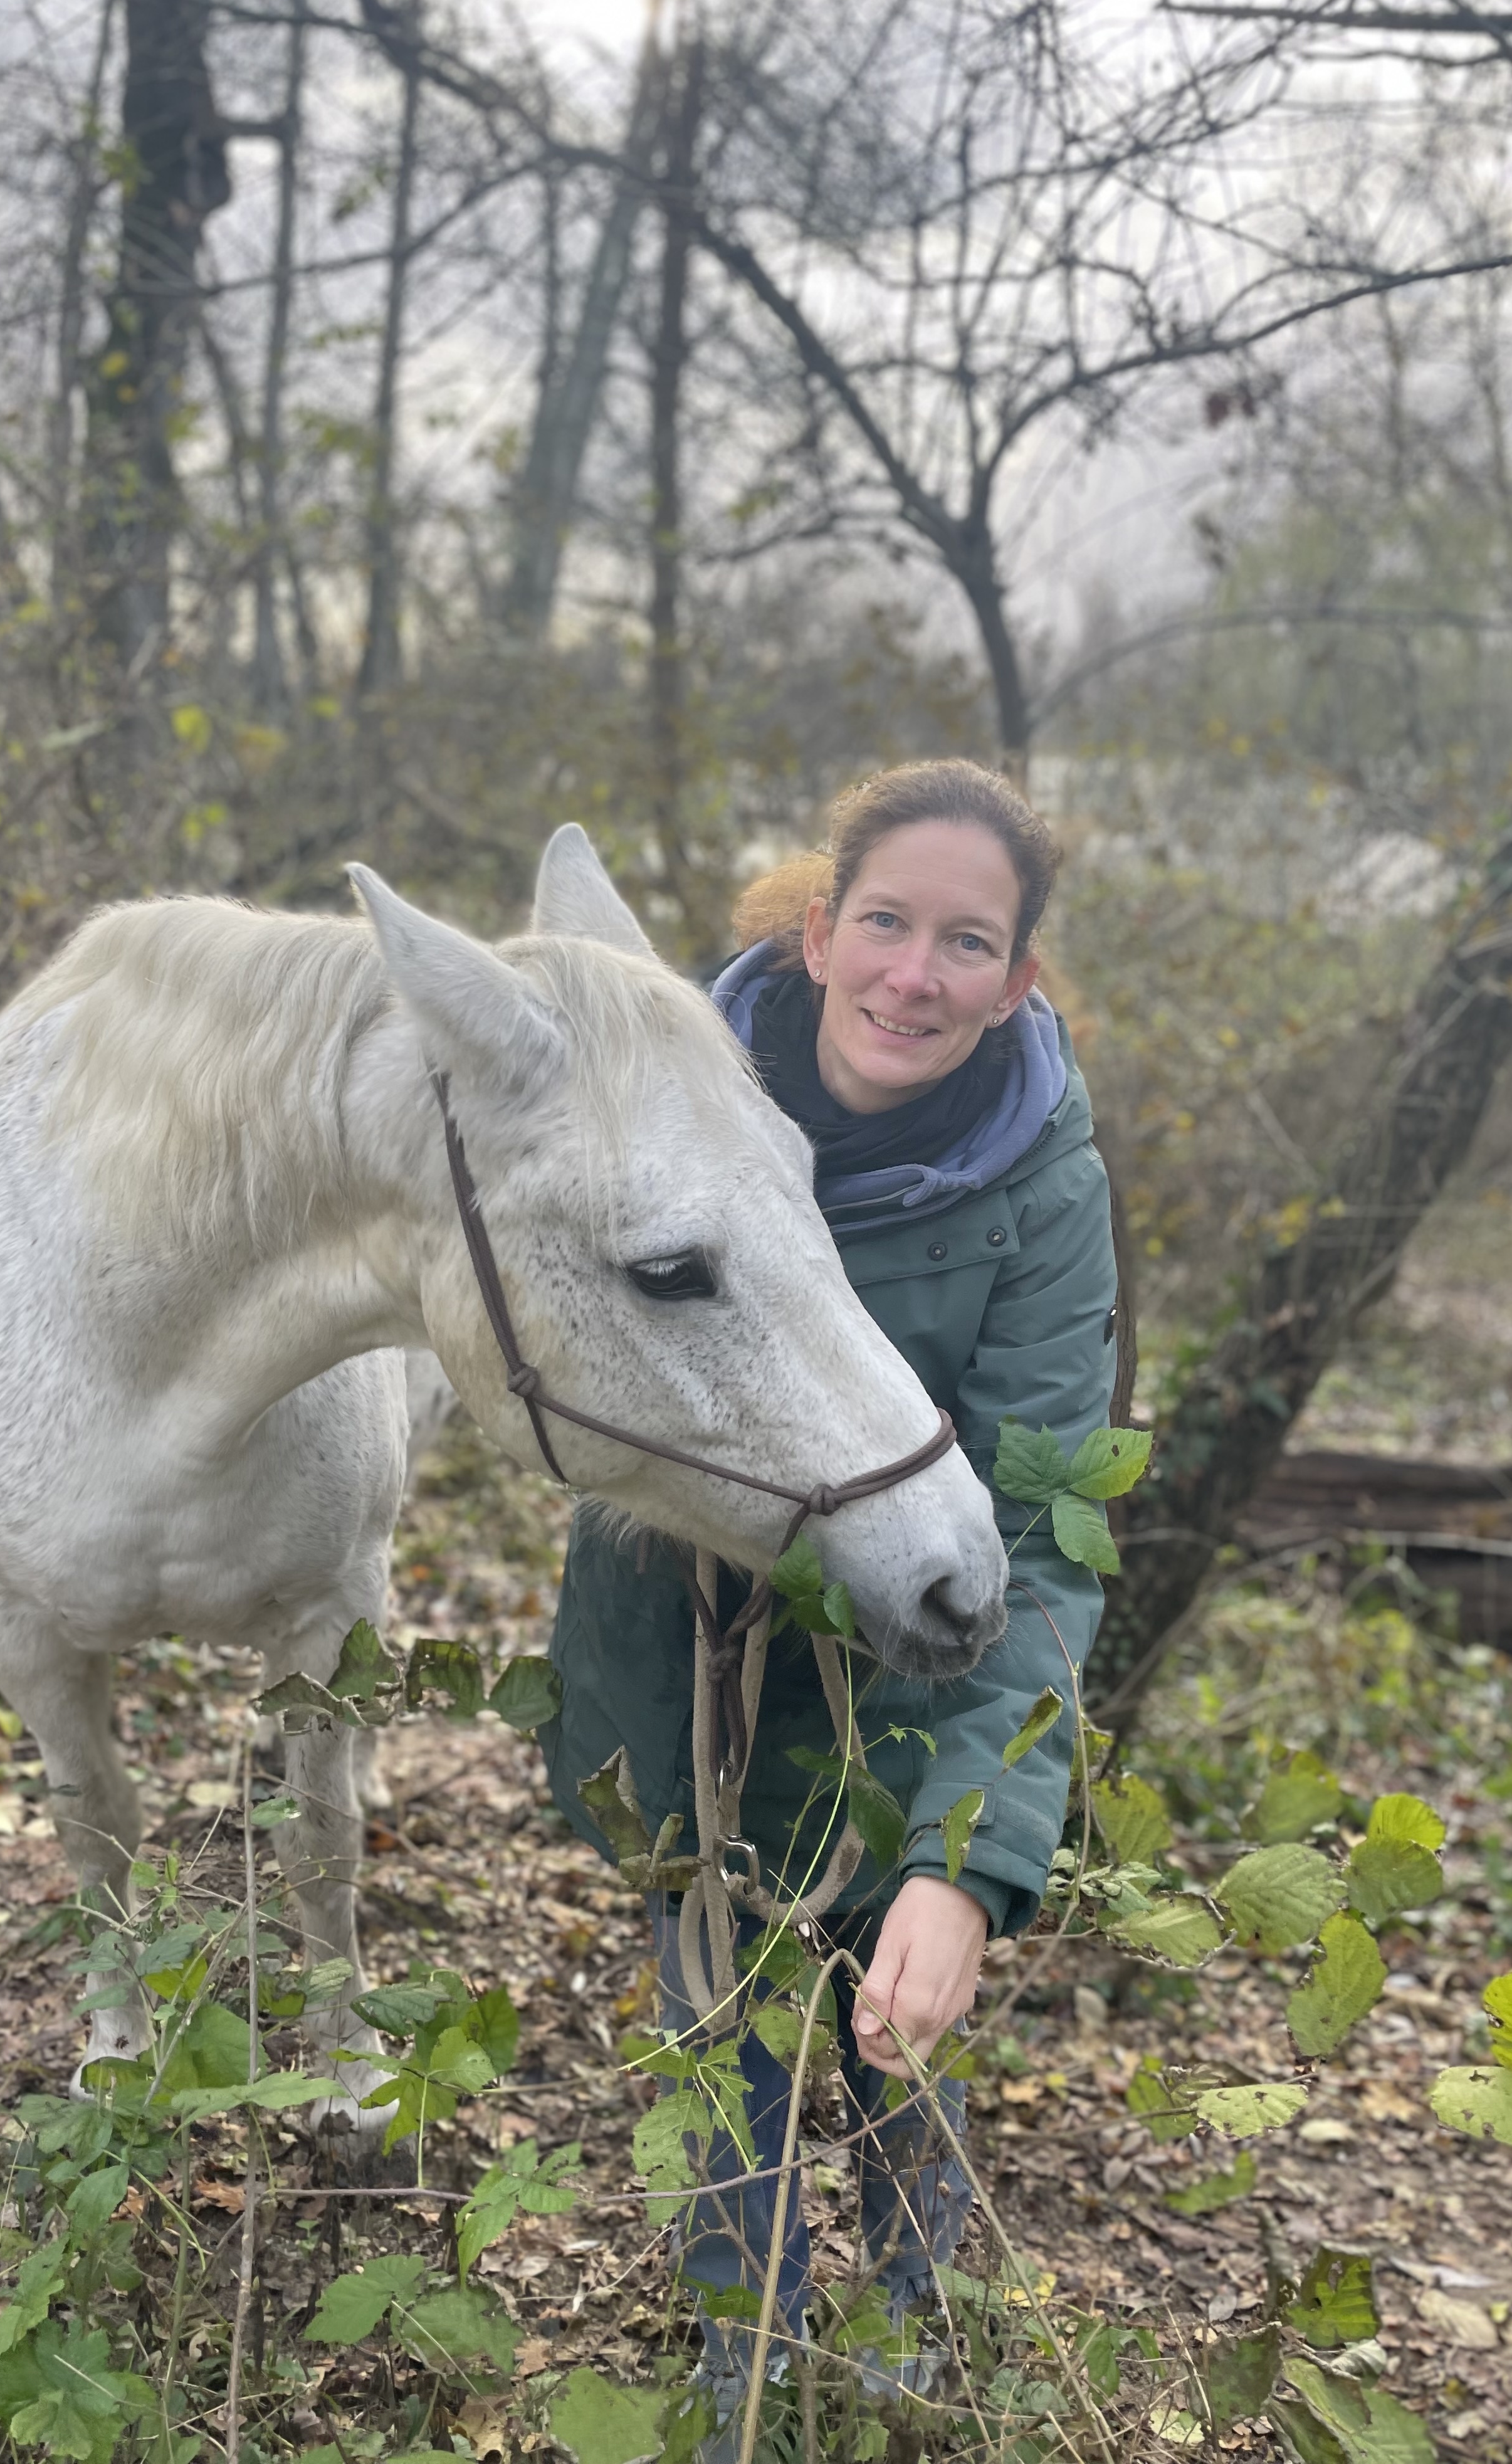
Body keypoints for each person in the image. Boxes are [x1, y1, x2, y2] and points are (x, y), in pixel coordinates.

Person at [537, 759, 1120, 2436]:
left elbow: (1044, 1535)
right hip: (686, 1686)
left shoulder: (1040, 1185)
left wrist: (958, 1862)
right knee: (718, 2054)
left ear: (1016, 982)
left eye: (964, 944)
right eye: (884, 921)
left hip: (913, 1693)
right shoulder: (666, 1095)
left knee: (901, 2066)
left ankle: (921, 2372)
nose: (909, 976)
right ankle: (751, 2390)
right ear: (816, 928)